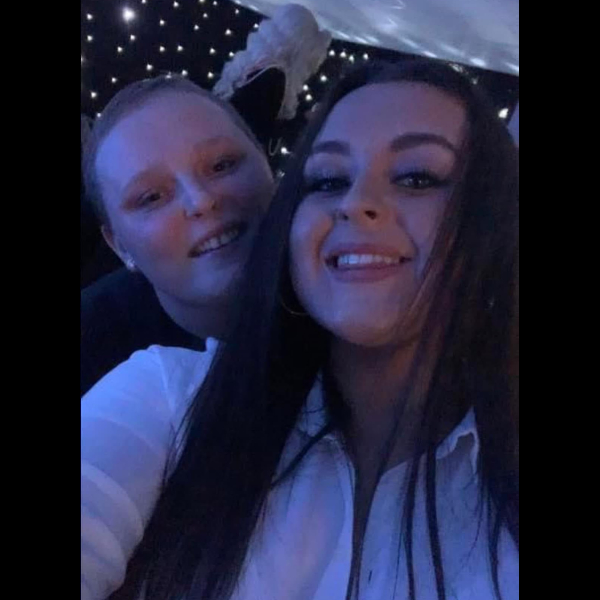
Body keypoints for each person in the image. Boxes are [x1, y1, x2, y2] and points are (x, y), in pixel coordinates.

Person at [82, 59, 519, 600]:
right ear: (117, 243)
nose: (202, 202)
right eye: (330, 180)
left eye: (417, 177)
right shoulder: (165, 392)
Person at [80, 3, 331, 396]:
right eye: (151, 197)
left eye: (222, 165)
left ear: (268, 166)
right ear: (119, 246)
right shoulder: (96, 352)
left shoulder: (345, 271)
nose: (201, 201)